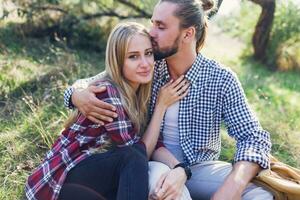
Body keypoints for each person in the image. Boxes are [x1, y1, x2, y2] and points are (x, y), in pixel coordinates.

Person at [63, 0, 274, 199]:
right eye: (152, 23)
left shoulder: (221, 79)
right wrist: (77, 95)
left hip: (199, 167)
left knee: (260, 194)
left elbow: (253, 136)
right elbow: (88, 82)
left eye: (161, 27)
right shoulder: (146, 68)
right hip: (152, 164)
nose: (151, 33)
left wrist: (234, 186)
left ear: (187, 34)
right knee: (170, 191)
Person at [25, 22, 190, 200]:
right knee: (133, 156)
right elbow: (139, 153)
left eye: (148, 53)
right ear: (118, 62)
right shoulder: (107, 92)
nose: (145, 63)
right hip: (61, 181)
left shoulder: (139, 94)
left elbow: (153, 143)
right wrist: (161, 107)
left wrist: (182, 169)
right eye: (133, 57)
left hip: (92, 181)